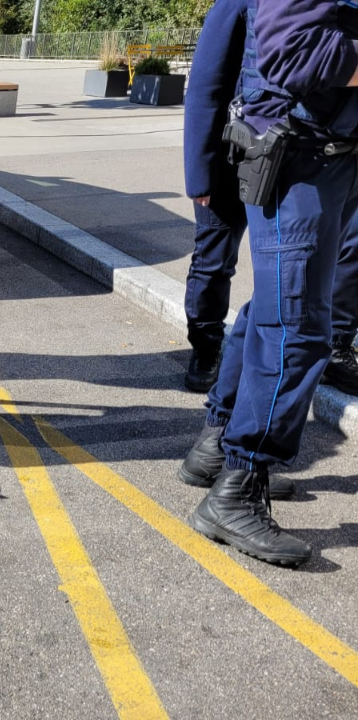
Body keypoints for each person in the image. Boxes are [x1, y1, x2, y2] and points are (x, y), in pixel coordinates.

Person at [182, 0, 358, 567]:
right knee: (297, 329)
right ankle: (238, 488)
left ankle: (217, 443)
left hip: (322, 156)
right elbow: (295, 52)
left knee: (272, 311)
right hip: (297, 155)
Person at [181, 0, 358, 395]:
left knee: (287, 274)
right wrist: (200, 174)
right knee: (214, 261)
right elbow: (207, 86)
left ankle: (333, 344)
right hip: (232, 155)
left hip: (291, 156)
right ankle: (206, 347)